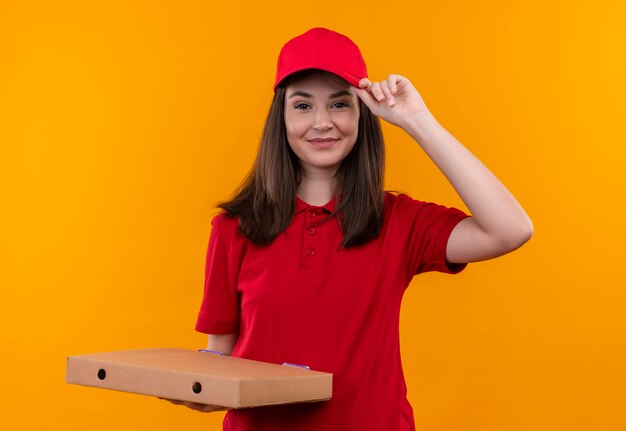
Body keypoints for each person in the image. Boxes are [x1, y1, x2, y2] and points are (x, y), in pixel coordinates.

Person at [162, 27, 533, 430]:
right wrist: (201, 392)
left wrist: (417, 121)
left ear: (364, 115)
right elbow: (220, 358)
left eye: (340, 104)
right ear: (281, 117)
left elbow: (510, 230)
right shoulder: (234, 228)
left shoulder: (398, 221)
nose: (322, 123)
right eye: (302, 106)